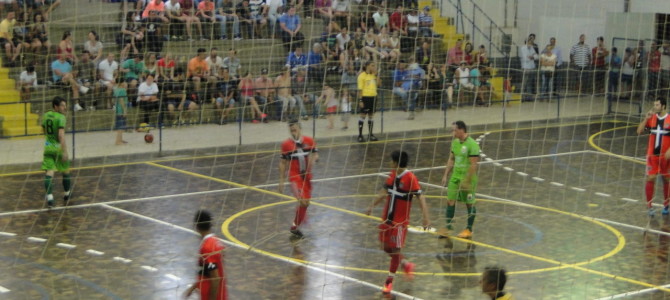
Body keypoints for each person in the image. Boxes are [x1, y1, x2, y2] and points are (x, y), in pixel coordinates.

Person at [365, 150, 430, 295]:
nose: (390, 163)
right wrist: (372, 206)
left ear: (395, 163)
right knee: (384, 246)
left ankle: (389, 282)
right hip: (386, 220)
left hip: (399, 223)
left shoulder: (411, 178)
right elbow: (383, 192)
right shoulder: (392, 175)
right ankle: (406, 264)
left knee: (395, 251)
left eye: (391, 161)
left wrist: (426, 218)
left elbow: (421, 197)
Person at [278, 121, 319, 238]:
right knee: (303, 201)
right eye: (291, 130)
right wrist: (281, 180)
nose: (293, 131)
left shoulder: (309, 141)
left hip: (307, 177)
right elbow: (282, 162)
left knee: (306, 204)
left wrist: (314, 159)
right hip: (295, 176)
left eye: (295, 129)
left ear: (300, 129)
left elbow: (315, 154)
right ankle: (296, 225)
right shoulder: (286, 144)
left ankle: (294, 227)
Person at [441, 120, 480, 238]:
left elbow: (473, 165)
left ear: (461, 130)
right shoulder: (455, 143)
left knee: (469, 203)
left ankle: (469, 229)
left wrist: (467, 181)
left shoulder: (472, 145)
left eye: (454, 130)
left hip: (467, 179)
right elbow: (452, 159)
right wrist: (445, 175)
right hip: (455, 177)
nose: (452, 132)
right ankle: (448, 228)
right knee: (450, 201)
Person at [637, 98, 670, 216]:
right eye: (654, 104)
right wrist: (646, 118)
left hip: (666, 157)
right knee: (650, 178)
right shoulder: (652, 119)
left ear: (664, 106)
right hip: (652, 156)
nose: (655, 107)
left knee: (666, 179)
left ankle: (666, 205)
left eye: (657, 105)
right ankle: (649, 206)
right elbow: (639, 131)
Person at [185, 210, 227, 300]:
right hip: (220, 293)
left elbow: (215, 278)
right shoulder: (216, 241)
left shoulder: (207, 247)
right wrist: (193, 288)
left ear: (196, 226)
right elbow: (207, 272)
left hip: (213, 296)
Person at [42, 97, 72, 208]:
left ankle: (50, 198)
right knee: (65, 171)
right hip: (58, 148)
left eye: (65, 105)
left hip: (48, 147)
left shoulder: (46, 115)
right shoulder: (61, 117)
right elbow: (61, 135)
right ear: (56, 106)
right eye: (62, 105)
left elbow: (43, 130)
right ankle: (67, 194)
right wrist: (64, 151)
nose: (65, 108)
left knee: (49, 172)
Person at [357, 61, 380, 142]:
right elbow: (360, 89)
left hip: (373, 97)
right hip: (365, 98)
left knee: (371, 116)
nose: (374, 67)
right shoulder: (361, 76)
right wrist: (360, 100)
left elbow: (379, 84)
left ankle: (370, 134)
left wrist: (376, 75)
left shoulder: (373, 75)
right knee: (363, 116)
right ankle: (360, 135)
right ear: (367, 66)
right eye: (372, 65)